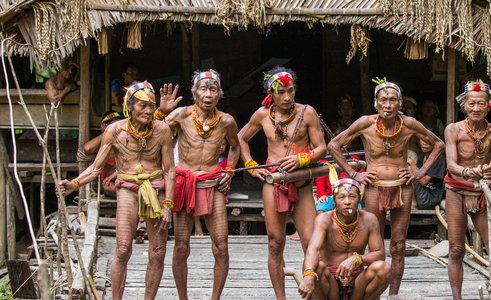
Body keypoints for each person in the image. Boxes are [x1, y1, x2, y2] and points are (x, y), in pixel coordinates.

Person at [57, 81, 176, 300]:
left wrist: (168, 205)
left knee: (158, 252)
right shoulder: (115, 131)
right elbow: (96, 168)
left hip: (156, 189)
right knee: (122, 248)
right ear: (128, 106)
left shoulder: (162, 130)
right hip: (128, 190)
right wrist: (74, 184)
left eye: (151, 105)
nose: (148, 110)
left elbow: (169, 170)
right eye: (142, 106)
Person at [327, 79, 444, 296]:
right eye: (383, 100)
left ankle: (394, 294)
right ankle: (370, 293)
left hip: (402, 187)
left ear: (400, 103)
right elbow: (334, 145)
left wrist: (419, 172)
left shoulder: (409, 123)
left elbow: (438, 144)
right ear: (376, 103)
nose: (388, 105)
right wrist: (354, 174)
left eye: (392, 100)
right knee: (373, 244)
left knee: (398, 246)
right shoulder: (365, 123)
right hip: (373, 187)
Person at [238, 66, 327, 299]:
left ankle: (313, 294)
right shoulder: (261, 115)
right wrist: (249, 164)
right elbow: (241, 138)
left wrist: (302, 158)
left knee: (310, 242)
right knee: (275, 242)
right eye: (281, 92)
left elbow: (321, 147)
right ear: (271, 93)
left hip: (301, 182)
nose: (287, 97)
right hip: (273, 182)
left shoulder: (307, 112)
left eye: (291, 90)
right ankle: (281, 298)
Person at [156, 70, 239, 300]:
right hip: (185, 184)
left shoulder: (226, 121)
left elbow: (235, 146)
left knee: (221, 246)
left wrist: (230, 170)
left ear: (219, 94)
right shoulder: (181, 115)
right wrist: (161, 112)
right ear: (194, 93)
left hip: (213, 184)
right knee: (181, 247)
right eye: (203, 89)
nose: (208, 94)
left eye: (213, 89)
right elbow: (153, 133)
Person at [444, 80, 491, 299]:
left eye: (481, 104)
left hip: (482, 192)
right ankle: (457, 297)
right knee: (456, 249)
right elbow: (451, 165)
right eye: (472, 104)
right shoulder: (453, 130)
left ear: (488, 105)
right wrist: (467, 172)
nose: (476, 108)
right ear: (465, 105)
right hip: (456, 191)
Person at [298, 176, 390, 300]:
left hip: (358, 281)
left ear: (359, 198)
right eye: (342, 197)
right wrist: (308, 274)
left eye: (352, 196)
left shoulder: (369, 220)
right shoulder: (324, 219)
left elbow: (380, 254)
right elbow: (312, 249)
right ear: (334, 201)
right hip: (330, 282)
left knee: (383, 268)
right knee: (317, 268)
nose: (347, 202)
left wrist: (357, 259)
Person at [81, 110, 125, 197]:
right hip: (111, 183)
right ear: (104, 126)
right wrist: (108, 132)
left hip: (126, 178)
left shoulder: (125, 139)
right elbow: (87, 148)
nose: (119, 128)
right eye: (115, 125)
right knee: (108, 187)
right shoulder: (103, 142)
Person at [408, 131, 446, 209]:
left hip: (430, 198)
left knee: (409, 170)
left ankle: (413, 204)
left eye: (428, 141)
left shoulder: (439, 159)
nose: (425, 143)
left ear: (436, 142)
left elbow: (423, 181)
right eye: (422, 140)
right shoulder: (422, 155)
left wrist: (411, 163)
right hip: (422, 193)